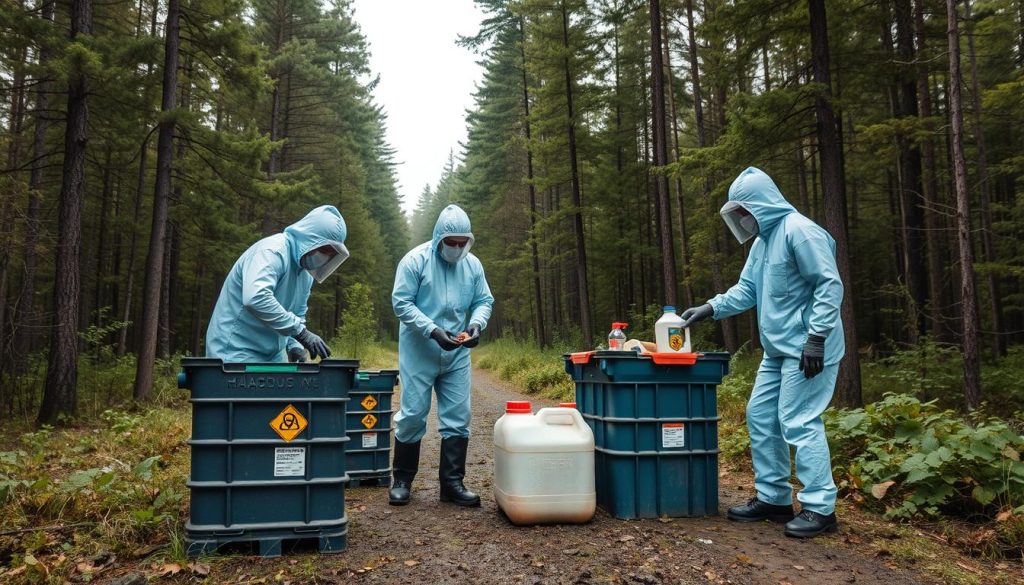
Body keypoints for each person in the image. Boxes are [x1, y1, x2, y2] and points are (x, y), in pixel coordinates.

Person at [680, 167, 845, 538]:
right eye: (737, 213)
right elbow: (747, 290)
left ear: (761, 204)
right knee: (760, 416)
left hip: (809, 348)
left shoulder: (800, 232)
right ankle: (774, 499)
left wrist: (817, 337)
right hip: (778, 350)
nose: (742, 219)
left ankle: (821, 507)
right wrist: (710, 307)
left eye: (744, 210)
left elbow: (829, 285)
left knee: (798, 420)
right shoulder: (763, 242)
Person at [388, 204, 494, 507]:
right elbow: (401, 303)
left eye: (463, 243)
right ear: (439, 239)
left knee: (459, 417)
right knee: (413, 414)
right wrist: (432, 330)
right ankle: (403, 480)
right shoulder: (415, 261)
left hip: (457, 354)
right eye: (452, 243)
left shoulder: (472, 265)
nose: (457, 249)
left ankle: (452, 483)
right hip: (420, 349)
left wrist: (476, 325)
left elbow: (484, 300)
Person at [205, 205, 348, 363]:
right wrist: (301, 333)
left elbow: (297, 313)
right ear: (310, 238)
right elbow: (255, 297)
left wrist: (295, 346)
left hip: (273, 355)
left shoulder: (305, 273)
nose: (325, 257)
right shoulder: (272, 251)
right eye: (324, 250)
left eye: (330, 254)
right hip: (235, 351)